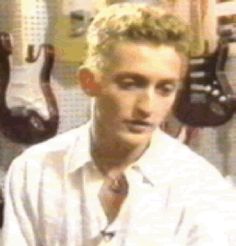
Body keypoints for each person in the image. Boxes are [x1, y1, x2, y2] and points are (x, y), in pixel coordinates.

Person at [2, 3, 236, 246]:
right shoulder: (34, 170)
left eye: (165, 89)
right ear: (89, 82)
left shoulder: (204, 188)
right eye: (130, 83)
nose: (147, 107)